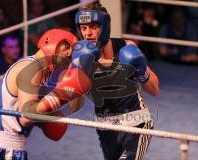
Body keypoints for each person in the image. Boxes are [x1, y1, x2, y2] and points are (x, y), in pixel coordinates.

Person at [0, 28, 92, 160]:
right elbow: (26, 117)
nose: (69, 52)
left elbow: (55, 131)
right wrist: (61, 95)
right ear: (52, 42)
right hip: (3, 149)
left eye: (71, 50)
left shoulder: (41, 73)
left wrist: (75, 80)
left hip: (7, 148)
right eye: (66, 46)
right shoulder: (31, 67)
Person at [75, 2, 159, 160]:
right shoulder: (81, 58)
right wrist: (80, 76)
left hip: (137, 122)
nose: (88, 33)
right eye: (84, 28)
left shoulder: (125, 48)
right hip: (105, 127)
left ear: (105, 26)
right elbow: (80, 101)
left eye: (93, 27)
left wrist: (141, 71)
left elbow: (155, 89)